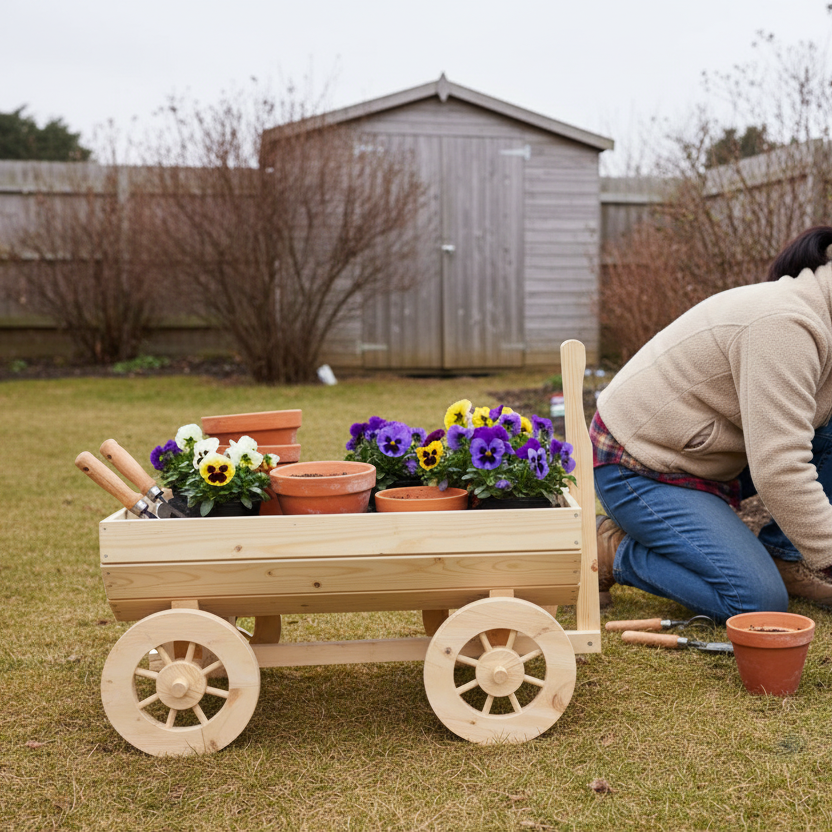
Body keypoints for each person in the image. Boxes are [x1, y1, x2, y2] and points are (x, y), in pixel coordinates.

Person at [593, 226, 832, 623]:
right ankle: (613, 552)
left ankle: (784, 557)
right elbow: (780, 467)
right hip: (642, 466)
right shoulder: (785, 326)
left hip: (710, 454)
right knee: (757, 602)